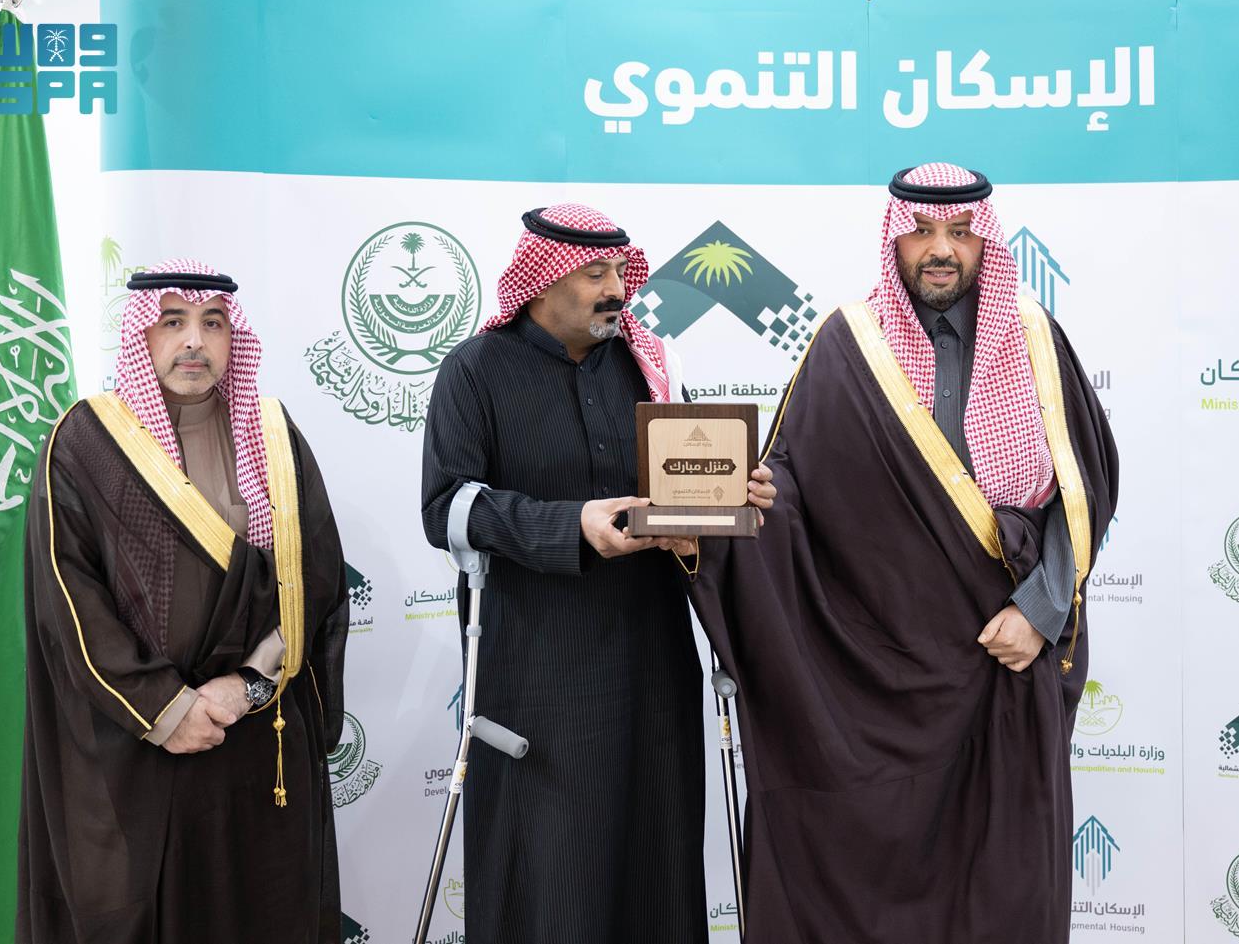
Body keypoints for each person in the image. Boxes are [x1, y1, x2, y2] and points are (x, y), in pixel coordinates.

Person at [686, 162, 1118, 943]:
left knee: (1008, 884)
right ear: (895, 240)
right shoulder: (847, 344)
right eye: (921, 231)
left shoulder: (1035, 340)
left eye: (959, 232)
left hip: (1004, 657)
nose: (940, 248)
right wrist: (733, 508)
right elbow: (794, 496)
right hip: (880, 669)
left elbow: (1081, 489)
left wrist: (1042, 608)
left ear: (986, 241)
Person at [420, 204, 775, 944]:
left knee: (658, 867)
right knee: (552, 878)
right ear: (541, 281)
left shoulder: (646, 367)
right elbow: (447, 509)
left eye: (620, 270)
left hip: (652, 665)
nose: (617, 288)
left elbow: (688, 498)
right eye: (594, 273)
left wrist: (735, 495)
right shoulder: (475, 370)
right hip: (537, 675)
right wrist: (570, 525)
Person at [18, 260, 349, 944]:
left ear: (233, 337)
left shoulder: (274, 434)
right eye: (173, 321)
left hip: (254, 735)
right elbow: (70, 602)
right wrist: (167, 710)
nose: (194, 341)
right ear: (142, 334)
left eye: (212, 323)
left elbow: (313, 578)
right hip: (138, 747)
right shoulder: (84, 443)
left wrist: (247, 683)